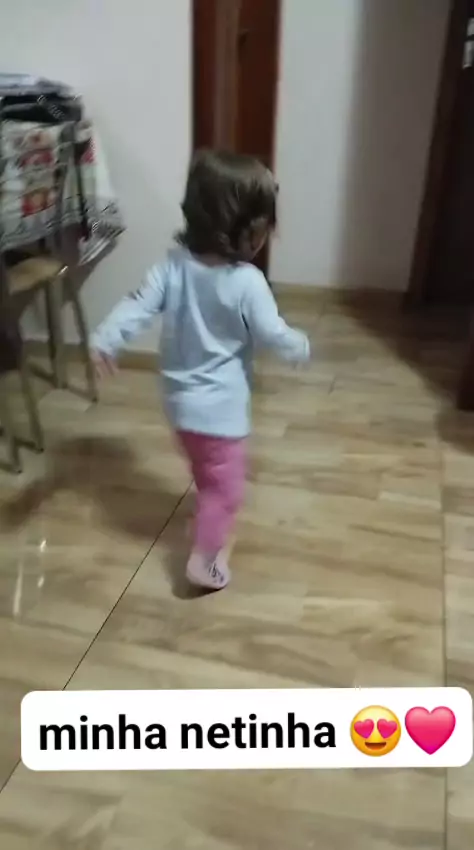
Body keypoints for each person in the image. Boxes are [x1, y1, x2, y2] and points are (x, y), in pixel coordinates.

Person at [90, 150, 310, 591]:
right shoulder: (247, 282)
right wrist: (299, 346)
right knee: (227, 492)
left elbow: (136, 305)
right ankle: (205, 560)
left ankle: (206, 505)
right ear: (247, 230)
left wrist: (105, 339)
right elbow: (271, 331)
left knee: (205, 468)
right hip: (220, 414)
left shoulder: (172, 266)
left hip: (178, 406)